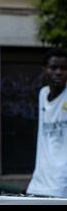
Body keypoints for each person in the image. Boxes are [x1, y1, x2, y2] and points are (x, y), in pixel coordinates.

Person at [26, 48, 67, 198]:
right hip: (37, 184)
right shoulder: (42, 94)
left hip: (61, 187)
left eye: (63, 68)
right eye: (54, 67)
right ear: (45, 70)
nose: (58, 72)